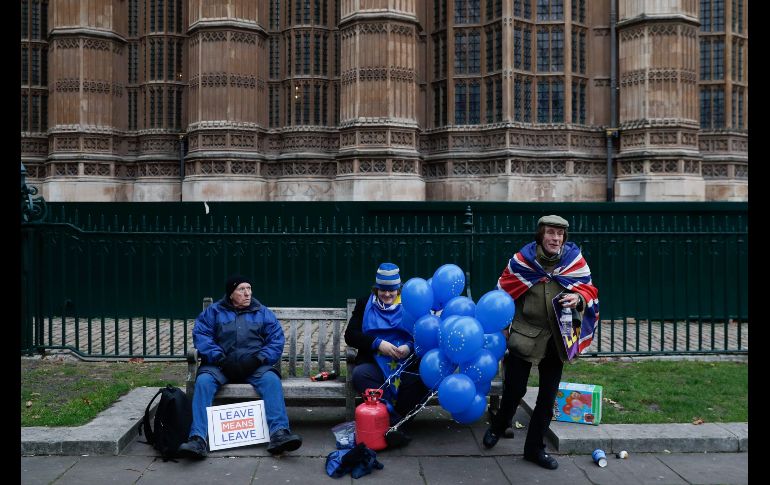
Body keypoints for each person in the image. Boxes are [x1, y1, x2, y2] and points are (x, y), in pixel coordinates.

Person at [482, 215, 599, 470]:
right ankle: (499, 424)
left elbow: (589, 289)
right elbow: (503, 294)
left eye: (560, 234)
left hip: (557, 340)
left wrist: (577, 298)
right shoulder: (522, 262)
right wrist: (502, 328)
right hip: (524, 336)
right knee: (514, 391)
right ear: (541, 235)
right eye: (550, 233)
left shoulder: (574, 262)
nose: (555, 239)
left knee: (547, 399)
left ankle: (534, 448)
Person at [178, 275, 302, 459]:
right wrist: (220, 359)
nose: (247, 293)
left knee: (271, 381)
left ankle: (279, 433)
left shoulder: (262, 312)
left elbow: (276, 340)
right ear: (231, 294)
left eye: (249, 288)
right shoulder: (213, 312)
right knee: (203, 382)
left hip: (254, 365)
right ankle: (198, 439)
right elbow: (202, 337)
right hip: (219, 365)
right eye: (241, 289)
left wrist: (258, 359)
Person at [344, 263, 429, 448]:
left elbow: (423, 334)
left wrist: (409, 347)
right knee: (360, 375)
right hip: (374, 363)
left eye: (392, 290)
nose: (388, 295)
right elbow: (350, 335)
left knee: (424, 379)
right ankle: (396, 425)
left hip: (406, 365)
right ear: (376, 288)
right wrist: (377, 343)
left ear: (399, 289)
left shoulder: (411, 304)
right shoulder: (363, 303)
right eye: (383, 290)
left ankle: (392, 425)